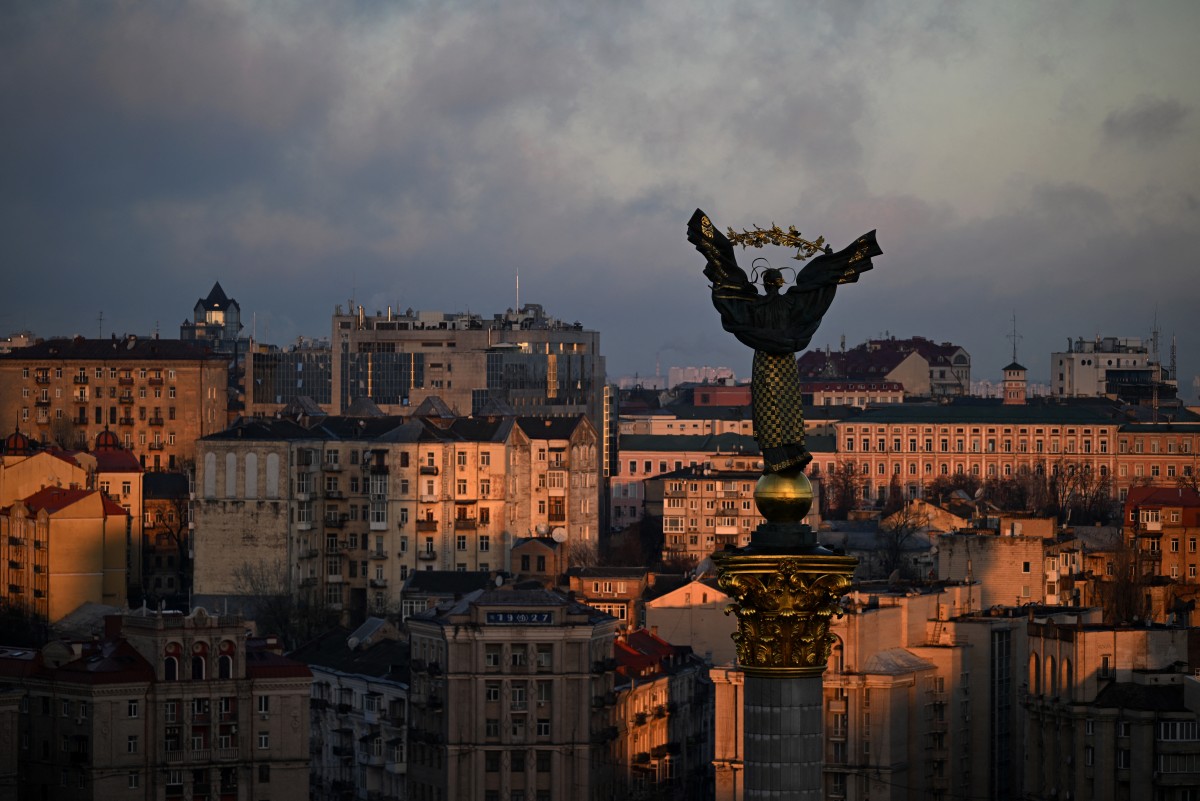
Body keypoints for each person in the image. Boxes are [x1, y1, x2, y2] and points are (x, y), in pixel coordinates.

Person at [687, 209, 880, 474]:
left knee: (767, 406)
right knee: (788, 403)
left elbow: (729, 292)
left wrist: (719, 263)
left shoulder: (752, 307)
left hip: (765, 363)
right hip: (786, 362)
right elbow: (817, 293)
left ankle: (775, 456)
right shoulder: (793, 304)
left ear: (765, 284)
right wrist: (829, 267)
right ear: (780, 282)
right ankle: (792, 450)